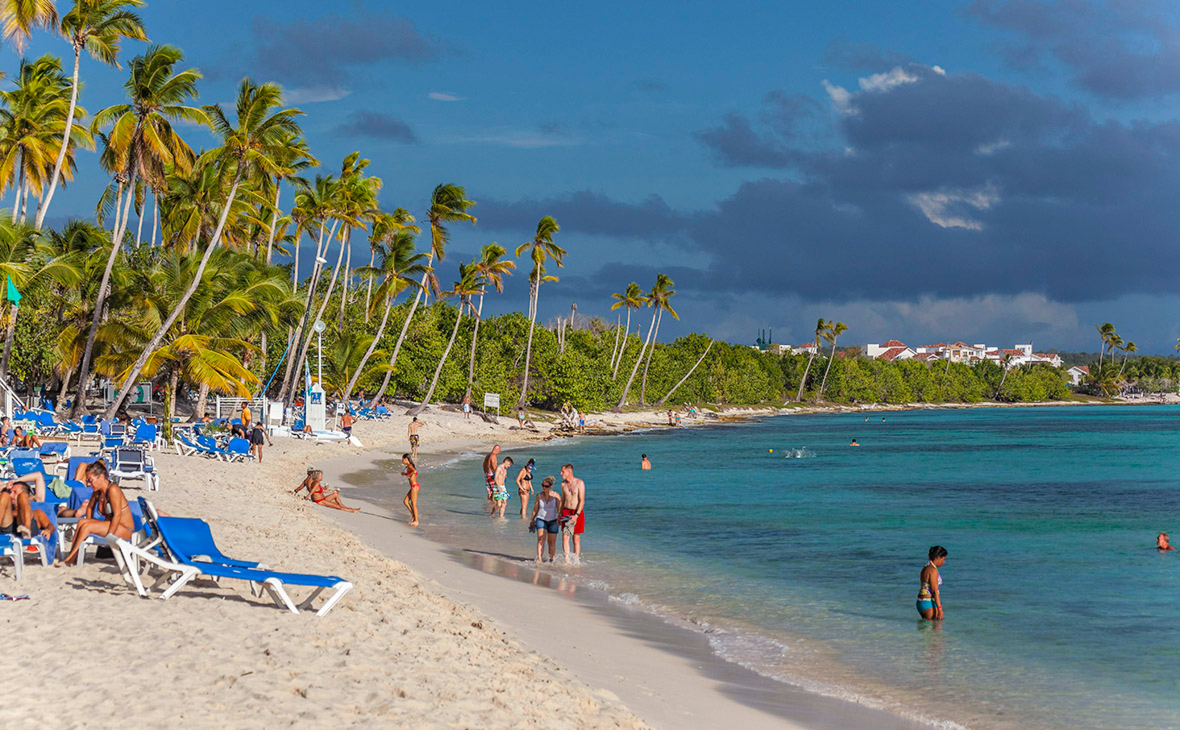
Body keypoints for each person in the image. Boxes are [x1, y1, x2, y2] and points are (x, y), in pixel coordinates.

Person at [58, 461, 134, 566]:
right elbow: (90, 507)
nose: (88, 484)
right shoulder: (98, 492)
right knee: (82, 522)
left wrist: (109, 536)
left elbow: (117, 515)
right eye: (87, 481)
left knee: (86, 527)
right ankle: (73, 558)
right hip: (113, 525)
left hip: (124, 529)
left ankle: (70, 558)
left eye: (90, 480)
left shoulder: (113, 490)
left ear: (101, 477)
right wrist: (89, 520)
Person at [292, 469, 359, 512]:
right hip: (319, 500)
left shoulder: (308, 481)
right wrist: (307, 497)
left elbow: (300, 488)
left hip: (320, 498)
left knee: (335, 499)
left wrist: (294, 492)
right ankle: (351, 510)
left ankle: (348, 508)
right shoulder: (315, 482)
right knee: (337, 505)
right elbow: (313, 491)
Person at [529, 476, 561, 562]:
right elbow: (535, 509)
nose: (544, 487)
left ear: (550, 487)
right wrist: (532, 520)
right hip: (541, 519)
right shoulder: (538, 496)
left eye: (546, 486)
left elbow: (559, 509)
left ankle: (552, 559)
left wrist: (561, 519)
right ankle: (539, 558)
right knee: (541, 539)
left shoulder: (556, 495)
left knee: (551, 542)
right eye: (542, 485)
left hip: (553, 520)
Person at [559, 463, 586, 563]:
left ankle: (575, 560)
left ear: (569, 472)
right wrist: (559, 514)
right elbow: (562, 500)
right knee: (565, 537)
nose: (561, 473)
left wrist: (577, 515)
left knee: (576, 539)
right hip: (566, 511)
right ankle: (566, 560)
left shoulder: (579, 483)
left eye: (563, 471)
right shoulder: (563, 484)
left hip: (576, 511)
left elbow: (582, 500)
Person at [917, 546, 948, 620]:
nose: (944, 562)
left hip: (921, 602)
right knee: (934, 629)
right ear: (938, 557)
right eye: (943, 559)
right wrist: (940, 609)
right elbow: (934, 591)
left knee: (926, 629)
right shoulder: (933, 570)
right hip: (928, 603)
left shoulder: (925, 568)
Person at [401, 454, 420, 526]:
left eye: (403, 459)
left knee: (413, 504)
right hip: (413, 486)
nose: (402, 461)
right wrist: (405, 474)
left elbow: (414, 471)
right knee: (405, 501)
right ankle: (413, 516)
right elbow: (412, 473)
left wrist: (408, 475)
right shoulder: (409, 466)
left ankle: (416, 521)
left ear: (406, 459)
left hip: (414, 486)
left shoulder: (410, 465)